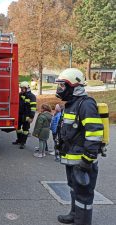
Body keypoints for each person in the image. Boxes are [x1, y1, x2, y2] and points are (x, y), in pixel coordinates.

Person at [55, 68, 104, 225]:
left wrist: (88, 159)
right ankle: (74, 214)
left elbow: (94, 134)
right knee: (73, 188)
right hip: (72, 160)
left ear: (74, 86)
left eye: (62, 86)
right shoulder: (72, 104)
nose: (59, 89)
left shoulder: (86, 104)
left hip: (83, 161)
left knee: (84, 194)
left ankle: (82, 222)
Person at [12, 81, 37, 149]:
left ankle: (23, 143)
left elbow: (33, 108)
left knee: (25, 130)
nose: (21, 89)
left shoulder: (32, 96)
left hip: (27, 116)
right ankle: (19, 140)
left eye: (23, 88)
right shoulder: (20, 94)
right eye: (21, 88)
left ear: (27, 88)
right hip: (19, 115)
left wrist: (31, 117)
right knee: (18, 128)